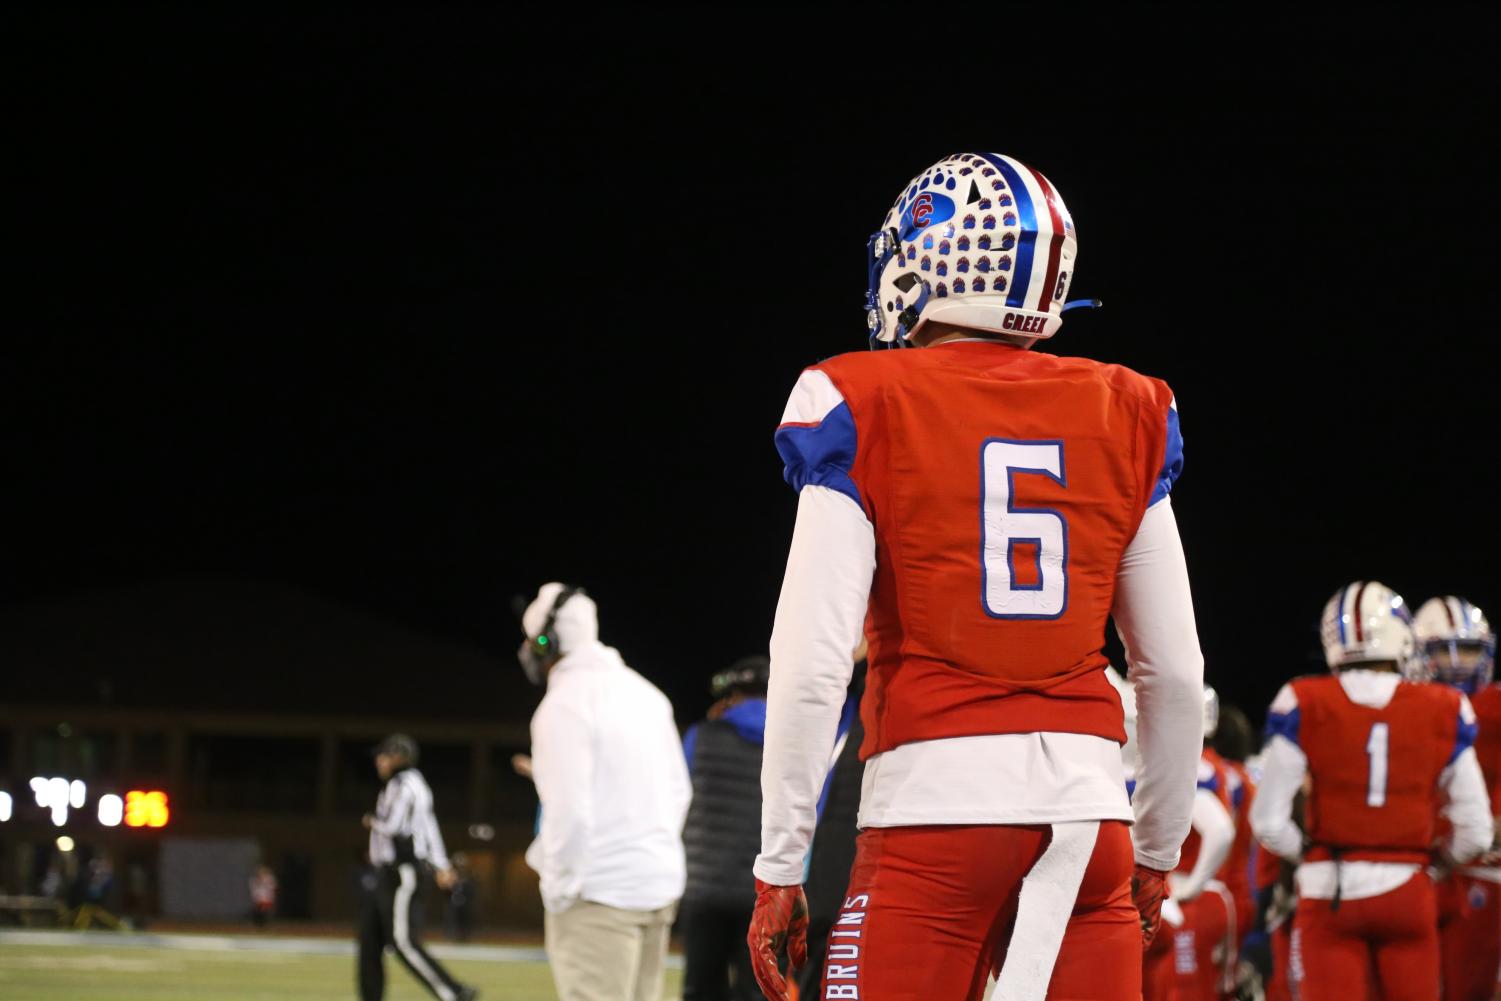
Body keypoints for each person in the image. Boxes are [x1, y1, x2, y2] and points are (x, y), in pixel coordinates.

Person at [748, 152, 1205, 1001]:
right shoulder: (1131, 406)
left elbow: (812, 660)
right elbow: (1174, 672)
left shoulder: (858, 395)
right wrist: (1154, 849)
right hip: (1089, 816)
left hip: (933, 814)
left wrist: (780, 861)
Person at [1251, 581, 1494, 1001]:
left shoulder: (1304, 699)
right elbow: (1476, 830)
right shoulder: (1444, 707)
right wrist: (1433, 863)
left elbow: (1268, 822)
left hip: (1330, 889)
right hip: (1409, 890)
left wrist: (1310, 853)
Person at [519, 582, 691, 1001]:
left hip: (598, 894)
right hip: (657, 889)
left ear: (546, 642)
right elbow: (679, 792)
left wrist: (559, 890)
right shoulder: (648, 695)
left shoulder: (564, 705)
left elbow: (569, 813)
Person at [1415, 596, 1501, 1001]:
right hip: (1418, 871)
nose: (1458, 664)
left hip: (1481, 871)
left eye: (1468, 650)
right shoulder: (1401, 706)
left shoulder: (1492, 708)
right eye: (1444, 652)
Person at [680, 655, 773, 1001]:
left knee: (701, 988)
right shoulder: (792, 740)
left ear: (732, 693)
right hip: (766, 888)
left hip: (705, 885)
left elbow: (679, 792)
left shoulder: (702, 736)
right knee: (758, 991)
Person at [358, 733, 476, 1001]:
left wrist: (371, 821)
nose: (379, 760)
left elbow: (394, 826)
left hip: (402, 871)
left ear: (398, 756)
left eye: (384, 755)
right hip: (387, 872)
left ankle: (454, 993)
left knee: (403, 941)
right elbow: (429, 827)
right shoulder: (409, 785)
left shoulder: (404, 785)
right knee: (370, 939)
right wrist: (442, 864)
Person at [249, 864, 277, 928]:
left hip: (266, 898)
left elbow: (272, 887)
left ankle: (264, 924)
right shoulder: (254, 879)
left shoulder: (269, 879)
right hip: (259, 898)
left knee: (265, 911)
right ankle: (258, 924)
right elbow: (254, 888)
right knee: (258, 911)